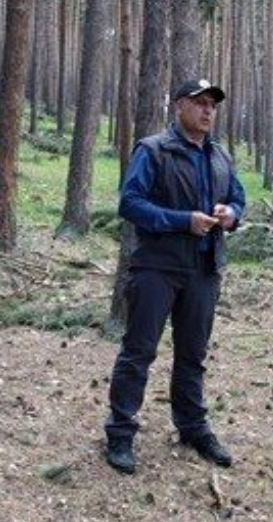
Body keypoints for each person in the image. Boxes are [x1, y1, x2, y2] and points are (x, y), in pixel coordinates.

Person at [104, 79, 247, 475]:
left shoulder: (220, 157)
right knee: (138, 352)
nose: (207, 111)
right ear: (180, 106)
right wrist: (182, 221)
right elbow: (130, 204)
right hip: (157, 268)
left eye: (212, 106)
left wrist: (231, 215)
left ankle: (192, 427)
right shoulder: (153, 150)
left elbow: (239, 199)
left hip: (203, 270)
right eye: (199, 103)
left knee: (193, 355)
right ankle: (120, 433)